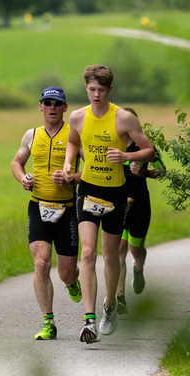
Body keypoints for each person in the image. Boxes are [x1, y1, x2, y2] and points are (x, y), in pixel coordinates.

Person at [63, 65, 155, 343]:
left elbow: (150, 152)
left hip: (116, 193)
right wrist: (69, 162)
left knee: (111, 256)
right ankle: (89, 320)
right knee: (88, 253)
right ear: (86, 88)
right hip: (89, 191)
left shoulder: (124, 119)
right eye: (92, 89)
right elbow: (72, 142)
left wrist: (127, 158)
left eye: (102, 90)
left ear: (110, 90)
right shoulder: (78, 117)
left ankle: (109, 306)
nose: (96, 95)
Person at [11, 86, 82, 341]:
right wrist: (23, 179)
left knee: (66, 272)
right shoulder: (32, 135)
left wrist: (72, 178)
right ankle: (48, 322)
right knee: (41, 263)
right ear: (40, 107)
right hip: (38, 206)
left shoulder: (74, 136)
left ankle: (73, 280)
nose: (52, 107)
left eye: (57, 103)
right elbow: (16, 162)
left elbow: (93, 170)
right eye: (47, 103)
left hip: (67, 209)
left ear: (65, 108)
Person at [116, 107, 166, 314]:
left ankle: (138, 266)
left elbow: (163, 171)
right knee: (118, 250)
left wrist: (144, 172)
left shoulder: (144, 147)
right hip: (117, 204)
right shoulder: (111, 145)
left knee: (135, 249)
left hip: (139, 205)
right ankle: (119, 296)